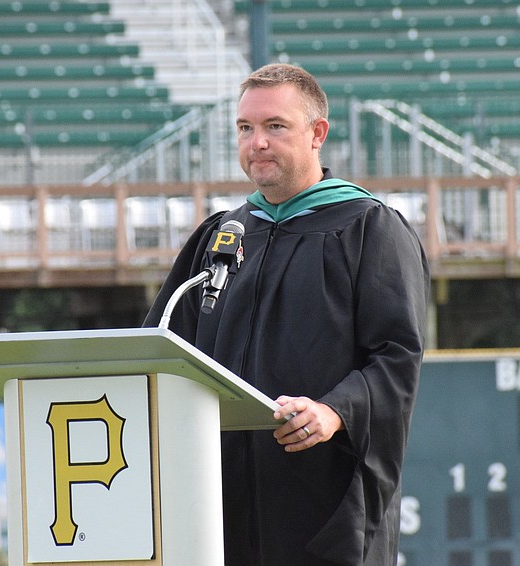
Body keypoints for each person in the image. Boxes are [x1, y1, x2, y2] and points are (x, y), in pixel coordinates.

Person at [143, 63, 429, 566]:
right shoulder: (222, 237)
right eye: (246, 128)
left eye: (275, 126)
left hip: (324, 511)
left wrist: (334, 410)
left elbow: (397, 356)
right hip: (216, 510)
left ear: (317, 133)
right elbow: (162, 347)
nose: (257, 143)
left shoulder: (369, 229)